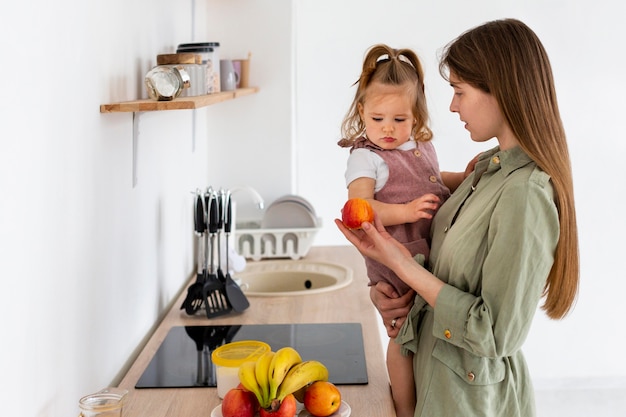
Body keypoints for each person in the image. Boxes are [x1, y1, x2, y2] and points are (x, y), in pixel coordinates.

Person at [336, 19, 579, 417]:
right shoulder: (484, 170)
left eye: (459, 91)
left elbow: (494, 334)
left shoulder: (524, 194)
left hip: (469, 404)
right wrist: (390, 294)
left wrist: (400, 264)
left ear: (500, 91)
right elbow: (441, 271)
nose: (451, 105)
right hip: (434, 387)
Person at [337, 44, 452, 417]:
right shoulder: (365, 157)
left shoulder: (421, 145)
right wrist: (405, 210)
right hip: (394, 254)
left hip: (421, 254)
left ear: (416, 116)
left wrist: (463, 177)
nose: (388, 129)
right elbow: (360, 210)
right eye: (378, 118)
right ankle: (404, 409)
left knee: (424, 333)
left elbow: (431, 181)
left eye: (400, 120)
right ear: (362, 113)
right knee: (403, 336)